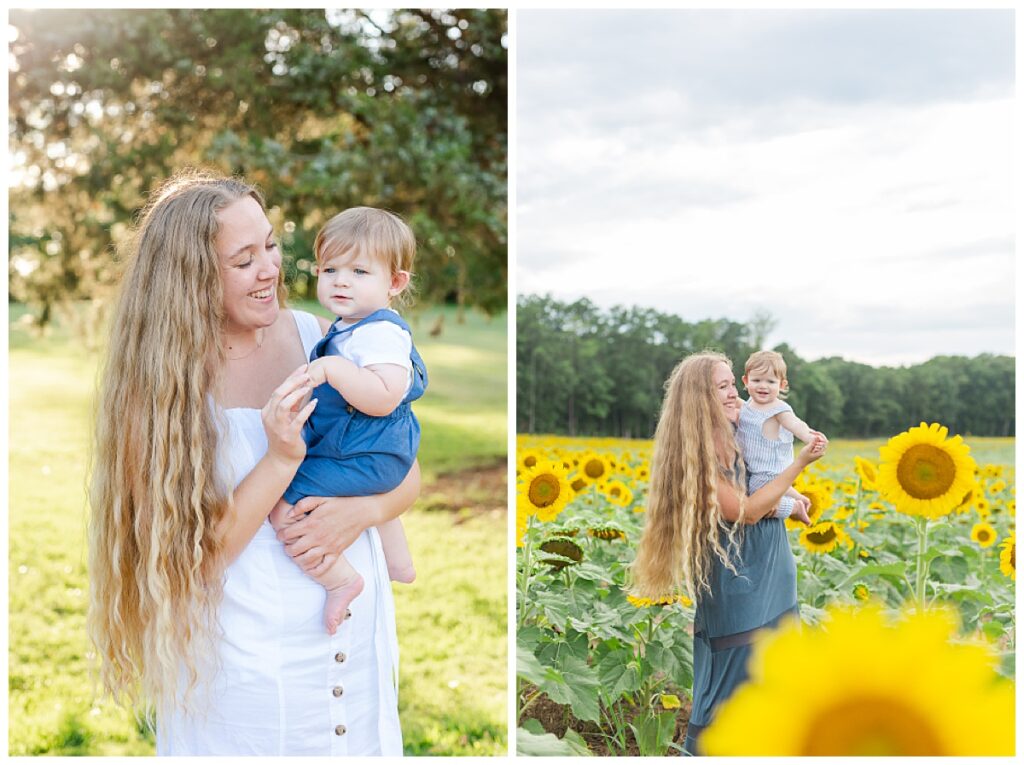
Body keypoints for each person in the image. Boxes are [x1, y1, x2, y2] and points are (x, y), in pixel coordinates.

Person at [87, 170, 418, 755]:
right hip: (247, 677)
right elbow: (192, 559)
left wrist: (364, 509)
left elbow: (402, 464)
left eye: (270, 244)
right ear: (189, 278)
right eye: (244, 259)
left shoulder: (325, 338)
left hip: (354, 654)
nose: (271, 268)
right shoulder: (158, 394)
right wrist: (282, 459)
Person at [631, 351, 825, 756]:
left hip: (774, 567)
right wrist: (800, 466)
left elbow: (763, 482)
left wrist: (788, 498)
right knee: (730, 684)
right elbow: (746, 511)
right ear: (700, 398)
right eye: (722, 387)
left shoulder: (740, 433)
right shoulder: (697, 456)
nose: (735, 392)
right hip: (739, 580)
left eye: (731, 384)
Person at [269, 207, 424, 635]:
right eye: (331, 268)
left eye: (359, 270)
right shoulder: (352, 328)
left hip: (368, 450)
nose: (341, 280)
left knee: (283, 506)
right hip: (376, 451)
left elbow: (385, 395)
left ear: (394, 283)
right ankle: (400, 562)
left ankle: (341, 579)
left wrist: (333, 370)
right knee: (369, 484)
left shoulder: (380, 333)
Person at [737, 350, 828, 525]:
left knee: (756, 501)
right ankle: (800, 498)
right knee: (772, 488)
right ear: (746, 381)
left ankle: (794, 507)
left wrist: (810, 438)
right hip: (757, 469)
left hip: (769, 471)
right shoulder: (749, 404)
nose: (763, 386)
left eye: (770, 381)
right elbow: (742, 409)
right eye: (756, 380)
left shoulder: (779, 409)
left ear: (782, 385)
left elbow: (796, 424)